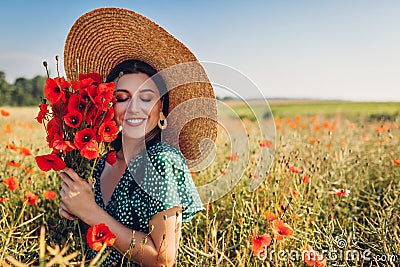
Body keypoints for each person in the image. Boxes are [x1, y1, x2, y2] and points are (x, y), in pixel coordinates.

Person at [58, 8, 217, 267]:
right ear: (107, 106)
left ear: (162, 107)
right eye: (121, 98)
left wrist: (91, 212)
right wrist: (76, 211)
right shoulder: (103, 159)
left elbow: (163, 260)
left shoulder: (162, 162)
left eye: (146, 98)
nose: (133, 108)